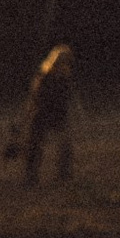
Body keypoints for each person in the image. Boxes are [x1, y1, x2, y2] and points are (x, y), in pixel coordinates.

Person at [19, 44, 75, 187]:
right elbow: (35, 96)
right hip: (42, 113)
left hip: (58, 114)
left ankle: (64, 174)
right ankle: (30, 176)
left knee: (65, 145)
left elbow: (67, 97)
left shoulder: (64, 77)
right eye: (63, 61)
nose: (65, 64)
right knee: (35, 146)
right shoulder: (45, 76)